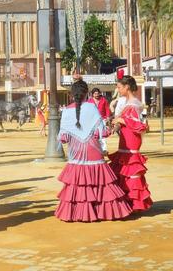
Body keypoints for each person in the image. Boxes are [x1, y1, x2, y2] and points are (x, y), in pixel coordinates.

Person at [55, 79, 131, 222]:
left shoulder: (66, 111)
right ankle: (104, 212)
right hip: (93, 152)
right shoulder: (91, 108)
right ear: (86, 94)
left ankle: (77, 214)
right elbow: (102, 133)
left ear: (72, 95)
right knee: (102, 184)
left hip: (75, 154)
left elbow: (63, 138)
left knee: (79, 185)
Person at [109, 75, 153, 212]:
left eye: (119, 87)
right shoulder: (127, 102)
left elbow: (139, 125)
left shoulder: (134, 103)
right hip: (125, 139)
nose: (118, 89)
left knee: (130, 169)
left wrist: (121, 121)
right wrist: (117, 124)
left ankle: (133, 204)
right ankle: (125, 203)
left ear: (127, 87)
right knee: (122, 170)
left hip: (131, 141)